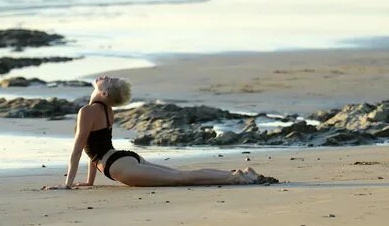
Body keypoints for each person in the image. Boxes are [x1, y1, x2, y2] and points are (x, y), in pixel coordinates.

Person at [43, 76, 278, 190]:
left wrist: (67, 185)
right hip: (123, 159)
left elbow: (78, 151)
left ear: (104, 93)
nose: (105, 78)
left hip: (119, 166)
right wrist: (88, 182)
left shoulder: (87, 111)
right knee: (180, 175)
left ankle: (237, 178)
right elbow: (94, 149)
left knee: (180, 178)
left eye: (108, 81)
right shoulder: (106, 110)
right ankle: (239, 174)